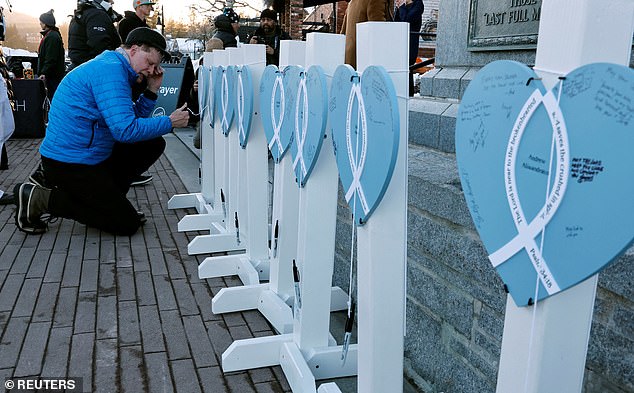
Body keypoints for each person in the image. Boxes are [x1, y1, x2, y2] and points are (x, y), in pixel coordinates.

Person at [14, 27, 190, 236]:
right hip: (69, 163)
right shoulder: (111, 71)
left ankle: (106, 204)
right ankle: (40, 198)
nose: (152, 70)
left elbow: (130, 120)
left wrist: (152, 90)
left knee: (153, 143)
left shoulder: (116, 66)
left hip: (87, 156)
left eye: (155, 66)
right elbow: (125, 131)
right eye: (150, 63)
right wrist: (169, 122)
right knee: (126, 224)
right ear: (134, 50)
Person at [68, 0, 122, 70]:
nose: (112, 2)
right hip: (93, 69)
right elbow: (100, 46)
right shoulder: (97, 15)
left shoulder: (83, 13)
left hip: (80, 67)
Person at [340, 0, 394, 69]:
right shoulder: (376, 1)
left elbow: (342, 33)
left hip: (350, 61)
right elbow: (378, 31)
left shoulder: (351, 2)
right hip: (366, 62)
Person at [395, 0, 424, 96]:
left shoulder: (418, 4)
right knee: (401, 68)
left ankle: (408, 94)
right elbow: (396, 23)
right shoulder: (402, 7)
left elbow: (407, 20)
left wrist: (401, 8)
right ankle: (401, 93)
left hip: (410, 43)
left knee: (408, 68)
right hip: (399, 42)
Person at [37, 10, 66, 100]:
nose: (40, 23)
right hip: (52, 76)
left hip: (52, 77)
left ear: (46, 23)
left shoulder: (52, 37)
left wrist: (44, 72)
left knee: (52, 98)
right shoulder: (51, 35)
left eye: (41, 21)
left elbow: (51, 58)